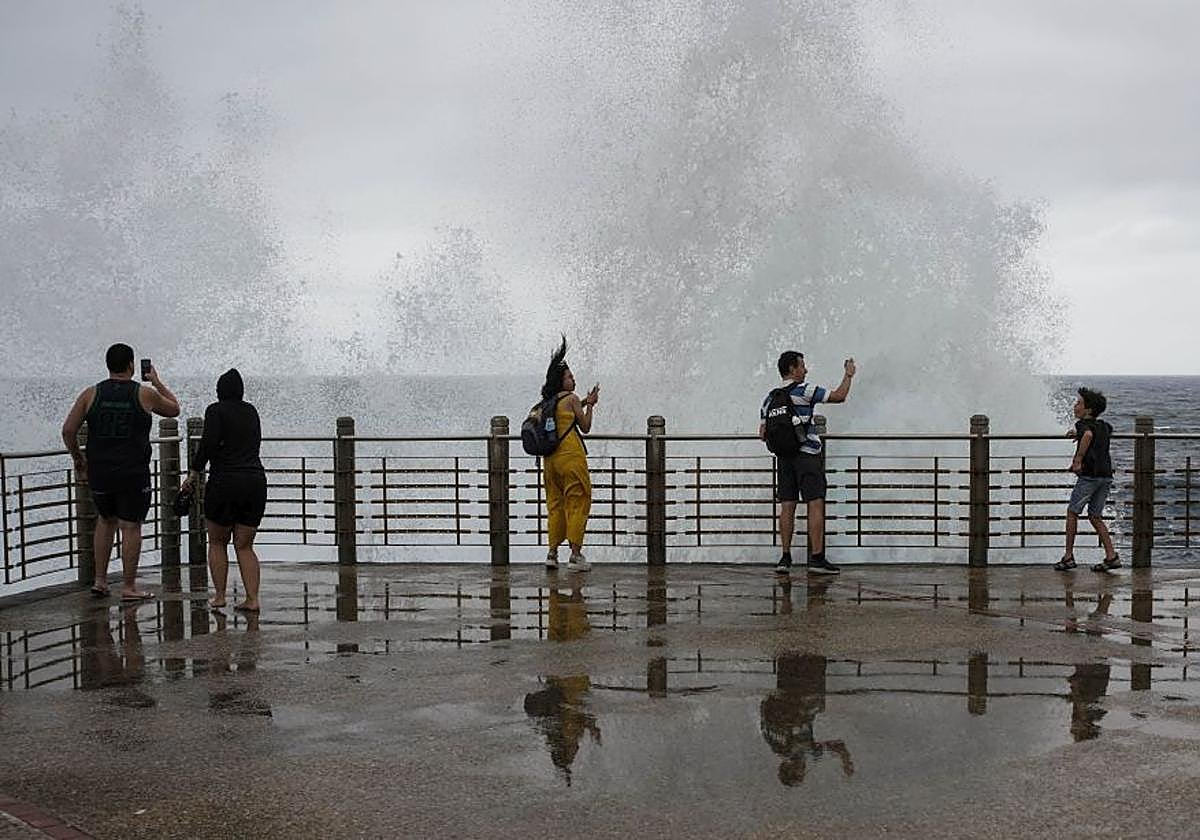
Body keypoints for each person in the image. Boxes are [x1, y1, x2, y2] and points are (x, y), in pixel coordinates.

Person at [62, 343, 180, 600]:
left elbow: (68, 430)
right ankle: (128, 587)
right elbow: (174, 409)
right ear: (130, 365)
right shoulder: (144, 394)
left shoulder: (90, 394)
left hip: (100, 472)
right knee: (130, 526)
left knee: (105, 521)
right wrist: (156, 381)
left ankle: (100, 581)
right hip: (132, 472)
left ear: (108, 365)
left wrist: (78, 458)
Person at [759, 351, 855, 575]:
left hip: (784, 458)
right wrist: (848, 375)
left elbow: (762, 433)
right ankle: (817, 559)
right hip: (807, 455)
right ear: (792, 369)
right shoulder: (806, 390)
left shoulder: (770, 398)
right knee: (815, 502)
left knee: (787, 506)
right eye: (802, 366)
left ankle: (785, 558)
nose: (806, 370)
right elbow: (839, 396)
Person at [181, 368, 268, 612]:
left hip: (225, 482)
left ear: (219, 391)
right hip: (254, 482)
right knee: (245, 545)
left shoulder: (215, 410)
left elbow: (208, 444)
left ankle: (219, 596)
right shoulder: (251, 411)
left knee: (218, 541)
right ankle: (252, 599)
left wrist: (194, 472)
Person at [539, 337, 599, 572]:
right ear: (561, 382)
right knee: (578, 500)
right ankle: (575, 555)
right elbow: (584, 426)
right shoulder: (572, 399)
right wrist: (591, 406)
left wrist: (586, 400)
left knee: (555, 505)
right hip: (571, 459)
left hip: (550, 460)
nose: (573, 379)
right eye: (569, 377)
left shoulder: (549, 402)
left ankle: (552, 553)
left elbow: (567, 414)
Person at [1054, 387, 1119, 573]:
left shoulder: (1083, 425)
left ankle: (1068, 557)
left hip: (1089, 476)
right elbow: (1101, 433)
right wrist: (1080, 435)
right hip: (1105, 476)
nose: (1075, 406)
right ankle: (1111, 556)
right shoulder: (1105, 425)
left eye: (1079, 403)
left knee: (1072, 512)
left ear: (1088, 410)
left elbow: (1089, 434)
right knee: (1095, 516)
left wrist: (1078, 459)